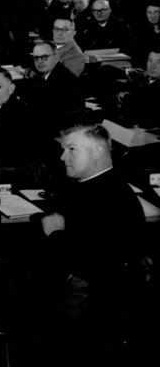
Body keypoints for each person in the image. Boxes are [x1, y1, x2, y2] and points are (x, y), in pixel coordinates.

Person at [41, 124, 145, 365]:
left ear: (97, 152)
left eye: (71, 149)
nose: (62, 156)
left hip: (92, 317)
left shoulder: (108, 197)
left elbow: (91, 264)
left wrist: (55, 234)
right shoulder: (98, 186)